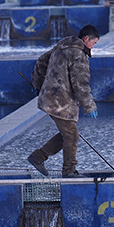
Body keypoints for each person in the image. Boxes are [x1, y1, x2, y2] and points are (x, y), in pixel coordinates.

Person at [27, 24, 100, 178]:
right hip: (60, 102)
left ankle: (39, 157)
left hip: (50, 98)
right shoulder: (78, 54)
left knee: (67, 134)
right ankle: (69, 171)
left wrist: (38, 85)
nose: (93, 46)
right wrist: (89, 106)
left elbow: (41, 61)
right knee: (72, 136)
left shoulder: (62, 46)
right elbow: (80, 83)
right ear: (86, 39)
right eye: (94, 43)